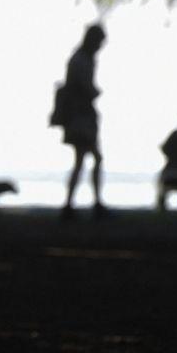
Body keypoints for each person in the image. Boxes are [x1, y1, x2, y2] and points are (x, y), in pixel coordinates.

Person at [60, 24, 108, 220]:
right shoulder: (81, 60)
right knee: (88, 159)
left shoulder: (82, 59)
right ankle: (83, 203)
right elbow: (81, 86)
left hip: (81, 116)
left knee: (83, 161)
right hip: (80, 117)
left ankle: (74, 203)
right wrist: (93, 91)